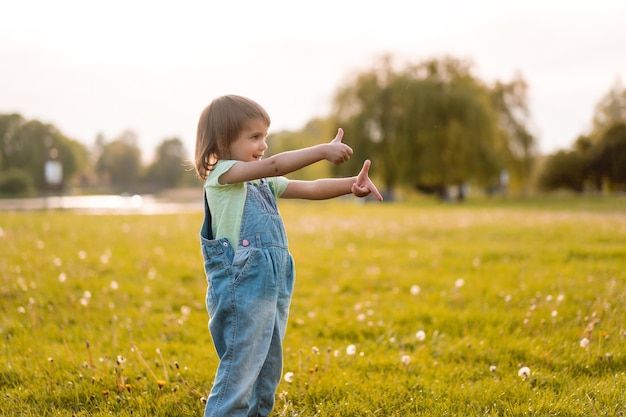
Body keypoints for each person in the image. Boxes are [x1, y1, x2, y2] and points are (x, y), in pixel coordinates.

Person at [194, 94, 382, 417]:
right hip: (242, 285)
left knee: (268, 362)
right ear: (224, 141)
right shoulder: (223, 176)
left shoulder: (263, 180)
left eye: (264, 137)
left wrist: (351, 184)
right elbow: (276, 163)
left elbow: (309, 188)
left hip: (273, 283)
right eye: (254, 137)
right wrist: (322, 151)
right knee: (242, 363)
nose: (263, 145)